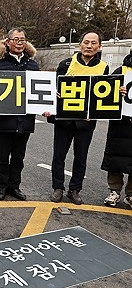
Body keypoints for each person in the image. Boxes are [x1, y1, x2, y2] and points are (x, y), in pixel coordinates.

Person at [45, 31, 109, 205]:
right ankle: (58, 187)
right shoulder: (65, 64)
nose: (89, 46)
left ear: (99, 46)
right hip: (64, 120)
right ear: (79, 44)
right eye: (86, 42)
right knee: (59, 155)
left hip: (86, 122)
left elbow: (105, 94)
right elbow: (54, 89)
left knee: (81, 157)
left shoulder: (104, 67)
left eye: (93, 43)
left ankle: (75, 189)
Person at [0, 28, 40, 201]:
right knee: (3, 156)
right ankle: (2, 186)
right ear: (7, 42)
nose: (20, 42)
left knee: (19, 156)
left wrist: (47, 103)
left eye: (23, 39)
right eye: (16, 39)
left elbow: (39, 89)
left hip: (25, 120)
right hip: (4, 120)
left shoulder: (32, 65)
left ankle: (15, 186)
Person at [101, 51, 132, 209]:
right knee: (115, 158)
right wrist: (116, 92)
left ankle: (130, 194)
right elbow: (105, 91)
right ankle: (114, 191)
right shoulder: (121, 71)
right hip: (121, 123)